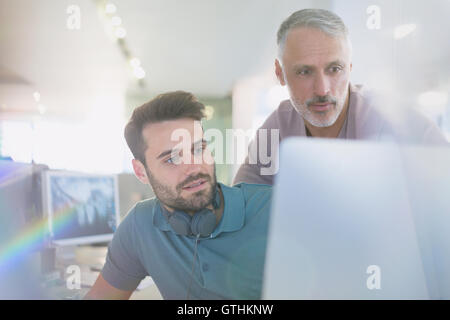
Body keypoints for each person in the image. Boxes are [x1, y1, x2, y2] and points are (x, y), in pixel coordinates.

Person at [85, 91, 272, 300]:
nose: (194, 167)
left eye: (199, 149)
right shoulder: (140, 225)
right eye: (172, 159)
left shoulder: (272, 208)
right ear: (141, 172)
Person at [233, 8, 448, 185]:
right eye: (305, 72)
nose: (322, 90)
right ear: (280, 74)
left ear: (350, 68)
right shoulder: (277, 128)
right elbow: (241, 206)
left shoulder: (393, 120)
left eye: (334, 69)